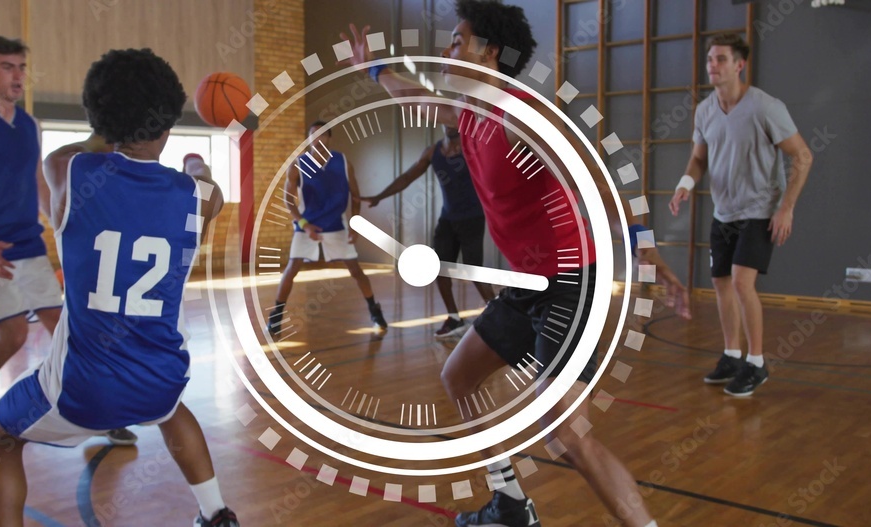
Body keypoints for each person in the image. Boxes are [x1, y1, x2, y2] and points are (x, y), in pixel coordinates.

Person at [342, 1, 690, 525]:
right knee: (459, 377)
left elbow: (595, 178)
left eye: (457, 40)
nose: (446, 49)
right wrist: (373, 69)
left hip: (571, 282)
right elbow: (415, 97)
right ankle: (508, 504)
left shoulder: (521, 116)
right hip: (528, 283)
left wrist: (644, 246)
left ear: (491, 53)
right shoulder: (466, 111)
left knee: (567, 432)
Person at [0, 48, 237, 527]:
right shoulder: (195, 197)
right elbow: (212, 190)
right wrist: (197, 165)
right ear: (167, 125)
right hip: (162, 375)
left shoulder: (72, 174)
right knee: (170, 408)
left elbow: (64, 154)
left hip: (83, 389)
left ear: (100, 121)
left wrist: (109, 128)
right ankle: (217, 513)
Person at [0, 35, 135, 446]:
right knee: (13, 334)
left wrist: (64, 226)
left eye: (21, 67)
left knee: (67, 326)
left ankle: (96, 408)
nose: (17, 76)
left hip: (26, 242)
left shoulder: (29, 124)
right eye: (7, 67)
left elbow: (36, 184)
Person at [670, 34, 813, 397]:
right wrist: (686, 183)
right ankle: (732, 355)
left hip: (760, 210)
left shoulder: (766, 107)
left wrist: (786, 207)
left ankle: (757, 362)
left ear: (739, 64)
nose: (712, 66)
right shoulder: (704, 111)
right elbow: (700, 157)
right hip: (724, 212)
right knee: (720, 283)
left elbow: (803, 156)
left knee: (741, 282)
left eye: (720, 59)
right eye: (709, 60)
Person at [360, 125, 494, 339]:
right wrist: (379, 196)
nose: (450, 125)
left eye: (454, 121)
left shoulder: (472, 147)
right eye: (446, 121)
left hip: (472, 219)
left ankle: (497, 316)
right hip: (448, 219)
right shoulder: (433, 152)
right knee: (439, 270)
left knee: (473, 271)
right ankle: (454, 318)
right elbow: (407, 178)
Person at [267, 121, 388, 335]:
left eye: (322, 135)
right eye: (313, 135)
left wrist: (355, 223)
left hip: (336, 225)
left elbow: (355, 196)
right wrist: (304, 225)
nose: (317, 139)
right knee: (292, 268)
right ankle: (276, 316)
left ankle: (374, 310)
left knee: (356, 270)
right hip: (307, 225)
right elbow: (288, 200)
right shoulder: (298, 164)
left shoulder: (342, 162)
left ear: (329, 138)